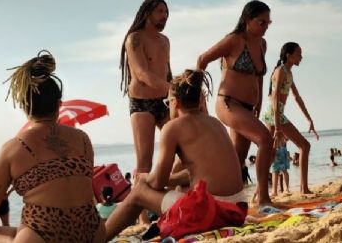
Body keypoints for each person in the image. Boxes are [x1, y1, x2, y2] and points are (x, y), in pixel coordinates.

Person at [0, 51, 105, 243]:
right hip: (92, 232)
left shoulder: (13, 148)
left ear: (24, 105)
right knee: (21, 230)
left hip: (43, 236)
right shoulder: (82, 139)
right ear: (59, 105)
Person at [104, 70, 247, 239]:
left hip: (210, 213)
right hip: (237, 210)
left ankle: (99, 237)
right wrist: (171, 179)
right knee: (182, 187)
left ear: (175, 102)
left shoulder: (173, 128)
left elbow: (158, 182)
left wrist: (144, 178)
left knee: (138, 193)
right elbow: (199, 174)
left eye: (167, 102)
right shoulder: (215, 123)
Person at [197, 0, 274, 206]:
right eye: (262, 22)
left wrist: (258, 99)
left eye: (269, 23)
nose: (265, 27)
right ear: (248, 20)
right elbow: (203, 59)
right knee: (265, 139)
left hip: (248, 107)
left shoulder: (262, 44)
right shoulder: (234, 40)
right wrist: (199, 95)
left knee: (236, 161)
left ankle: (218, 200)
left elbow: (259, 75)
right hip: (229, 103)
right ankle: (264, 198)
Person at [120, 0, 172, 179]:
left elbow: (166, 71)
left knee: (183, 150)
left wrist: (175, 90)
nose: (165, 16)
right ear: (147, 14)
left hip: (165, 101)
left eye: (166, 12)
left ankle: (173, 198)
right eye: (160, 11)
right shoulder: (134, 38)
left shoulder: (165, 41)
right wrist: (174, 89)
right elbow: (142, 73)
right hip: (142, 104)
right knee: (144, 163)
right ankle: (140, 206)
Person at [263, 42, 319, 194]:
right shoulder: (281, 71)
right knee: (304, 146)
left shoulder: (289, 72)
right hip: (274, 113)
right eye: (298, 54)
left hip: (274, 113)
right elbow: (274, 97)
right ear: (289, 55)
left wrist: (309, 119)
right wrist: (278, 126)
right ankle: (304, 188)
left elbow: (297, 97)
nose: (301, 57)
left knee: (271, 152)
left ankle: (259, 191)